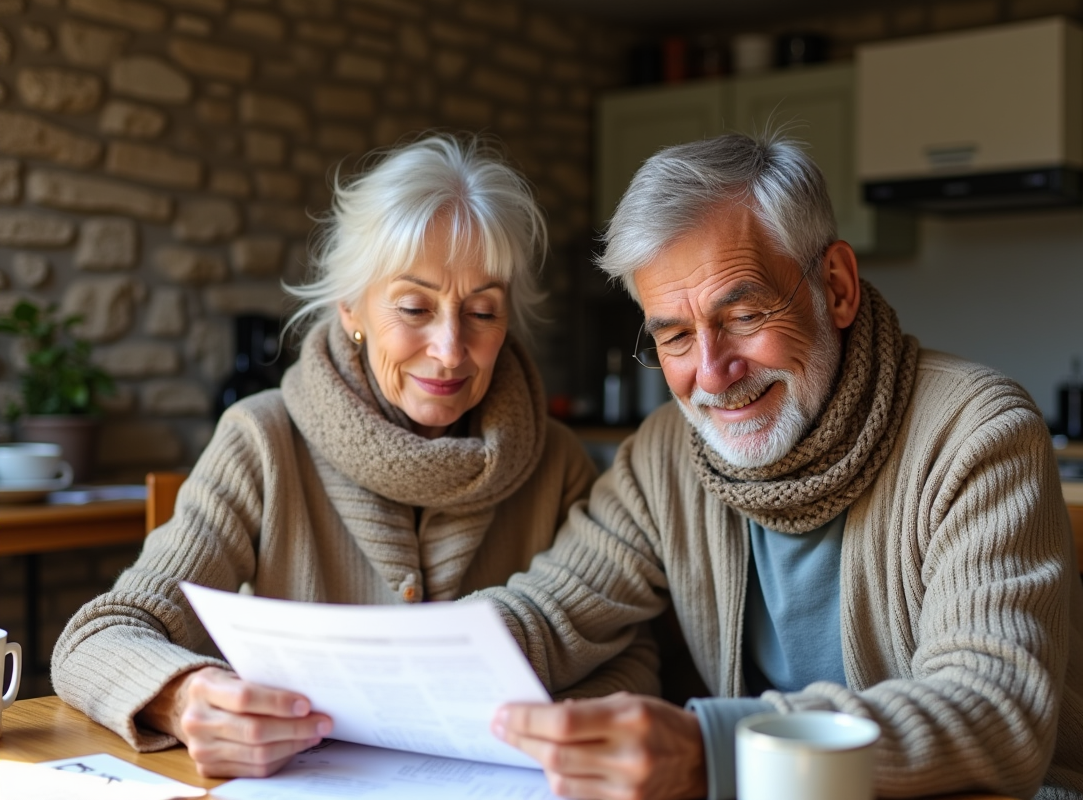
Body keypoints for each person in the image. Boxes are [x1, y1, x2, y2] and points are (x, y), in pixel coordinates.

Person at [479, 132, 1083, 800]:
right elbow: (550, 612)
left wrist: (715, 750)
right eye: (677, 337)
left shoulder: (977, 431)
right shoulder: (664, 453)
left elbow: (994, 712)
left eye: (743, 315)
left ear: (834, 287)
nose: (713, 374)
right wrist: (401, 667)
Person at [52, 134, 655, 778]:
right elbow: (98, 638)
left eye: (482, 311)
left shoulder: (557, 459)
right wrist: (182, 697)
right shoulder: (262, 440)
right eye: (414, 307)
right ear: (350, 307)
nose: (451, 349)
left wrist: (545, 736)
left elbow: (629, 655)